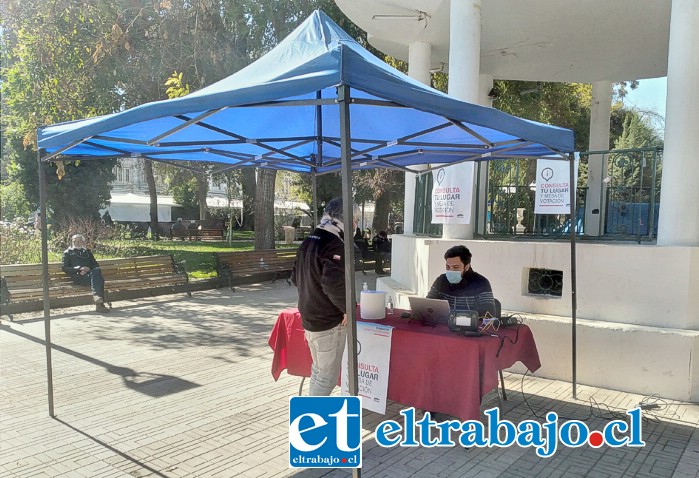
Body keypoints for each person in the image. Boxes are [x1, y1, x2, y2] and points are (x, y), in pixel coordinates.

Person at [292, 196, 360, 396]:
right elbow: (333, 285)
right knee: (326, 378)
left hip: (309, 317)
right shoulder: (335, 243)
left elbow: (295, 277)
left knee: (318, 371)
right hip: (328, 322)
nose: (356, 225)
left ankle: (310, 421)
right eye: (355, 220)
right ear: (345, 219)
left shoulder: (309, 239)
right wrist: (348, 307)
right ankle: (313, 425)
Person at [426, 245, 496, 317]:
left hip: (470, 326)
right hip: (442, 325)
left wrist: (457, 316)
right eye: (448, 267)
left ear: (467, 266)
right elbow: (428, 304)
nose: (451, 270)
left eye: (456, 267)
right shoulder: (441, 280)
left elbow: (489, 312)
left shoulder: (481, 283)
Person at [62, 234, 109, 313]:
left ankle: (97, 299)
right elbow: (65, 268)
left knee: (97, 271)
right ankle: (99, 303)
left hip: (89, 275)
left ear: (83, 242)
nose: (77, 243)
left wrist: (88, 269)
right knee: (99, 278)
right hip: (78, 277)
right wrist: (79, 269)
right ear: (72, 242)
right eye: (75, 241)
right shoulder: (68, 253)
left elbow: (95, 265)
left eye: (79, 241)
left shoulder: (87, 252)